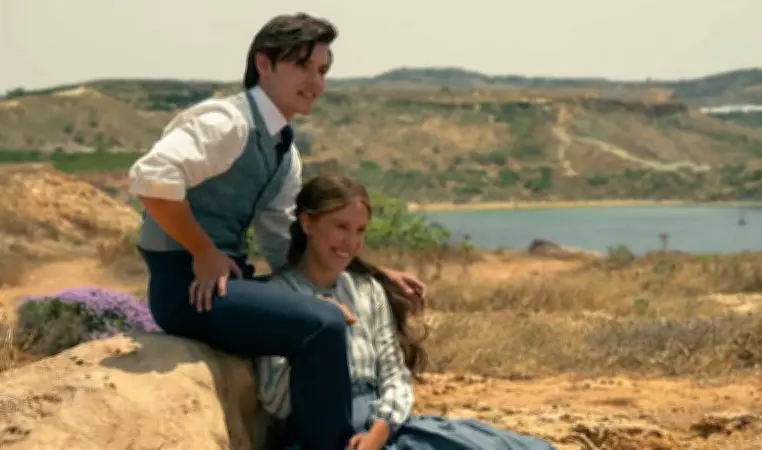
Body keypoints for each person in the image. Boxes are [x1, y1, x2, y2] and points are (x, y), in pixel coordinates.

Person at [127, 13, 427, 450]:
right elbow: (151, 178)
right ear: (263, 64)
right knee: (322, 324)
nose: (315, 82)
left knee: (325, 314)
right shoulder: (226, 121)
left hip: (229, 283)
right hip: (187, 288)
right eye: (302, 66)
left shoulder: (284, 152)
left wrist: (375, 274)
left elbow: (285, 241)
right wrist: (202, 251)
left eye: (321, 70)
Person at [256, 173, 557, 450]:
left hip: (384, 429)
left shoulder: (367, 291)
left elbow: (394, 374)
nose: (351, 242)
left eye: (360, 230)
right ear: (307, 223)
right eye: (341, 227)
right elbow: (275, 400)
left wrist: (380, 430)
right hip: (321, 436)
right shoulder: (277, 297)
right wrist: (315, 327)